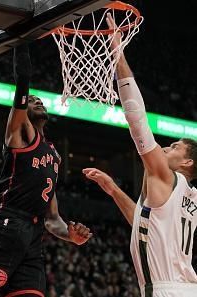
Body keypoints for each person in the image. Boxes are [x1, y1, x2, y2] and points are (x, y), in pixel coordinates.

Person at [0, 45, 92, 297]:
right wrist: (23, 43)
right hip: (6, 224)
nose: (37, 100)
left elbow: (52, 219)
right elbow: (22, 85)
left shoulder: (54, 155)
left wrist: (71, 236)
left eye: (39, 99)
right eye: (31, 100)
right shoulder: (19, 134)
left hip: (33, 236)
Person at [82, 14, 197, 297]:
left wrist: (117, 52)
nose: (167, 147)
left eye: (175, 147)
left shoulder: (165, 175)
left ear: (187, 162)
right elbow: (145, 224)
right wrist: (113, 190)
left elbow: (138, 122)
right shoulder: (187, 197)